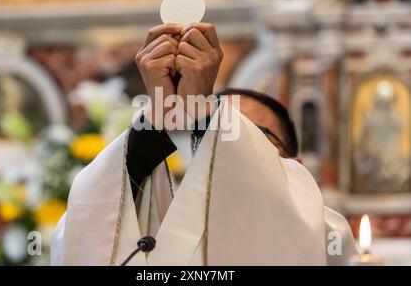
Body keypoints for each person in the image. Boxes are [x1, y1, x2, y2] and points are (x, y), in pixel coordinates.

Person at [51, 23, 357, 265]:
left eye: (255, 137)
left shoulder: (324, 231)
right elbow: (83, 236)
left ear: (296, 168)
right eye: (207, 138)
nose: (228, 147)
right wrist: (156, 117)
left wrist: (205, 112)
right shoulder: (151, 229)